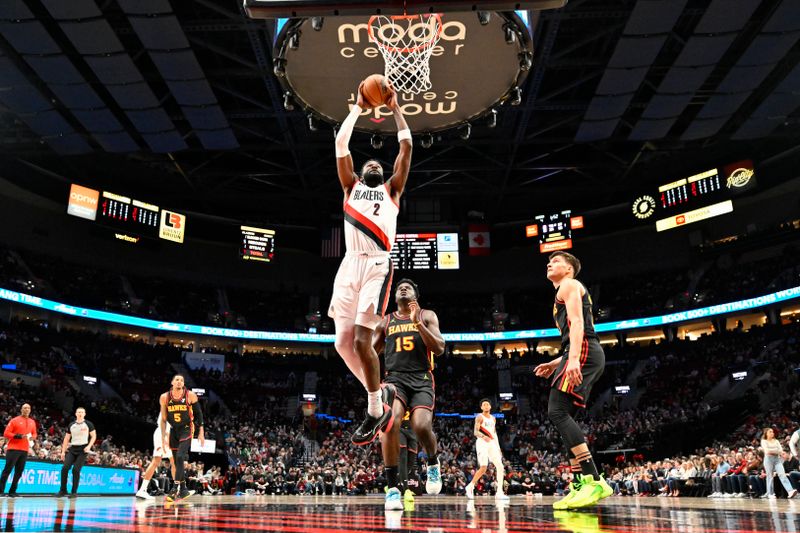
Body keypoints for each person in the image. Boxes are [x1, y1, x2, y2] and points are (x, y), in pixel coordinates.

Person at [328, 81, 412, 449]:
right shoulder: (351, 187)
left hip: (377, 265)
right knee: (342, 343)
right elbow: (340, 145)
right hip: (348, 266)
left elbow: (406, 146)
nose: (375, 163)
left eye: (379, 162)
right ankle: (380, 398)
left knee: (363, 341)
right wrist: (357, 109)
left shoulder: (392, 190)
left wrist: (395, 108)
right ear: (363, 173)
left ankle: (375, 408)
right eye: (371, 163)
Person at [534, 252, 612, 509]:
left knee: (556, 411)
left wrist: (575, 359)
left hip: (585, 351)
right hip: (580, 352)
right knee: (564, 418)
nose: (549, 264)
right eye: (549, 261)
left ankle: (593, 479)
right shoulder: (563, 291)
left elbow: (579, 324)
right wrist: (558, 362)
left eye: (556, 261)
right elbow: (572, 335)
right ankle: (579, 483)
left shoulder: (569, 285)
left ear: (569, 269)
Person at [374, 279, 445, 509]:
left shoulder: (427, 315)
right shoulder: (385, 321)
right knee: (390, 424)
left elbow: (439, 348)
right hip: (394, 379)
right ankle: (393, 488)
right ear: (395, 297)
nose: (403, 288)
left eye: (408, 287)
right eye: (399, 288)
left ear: (416, 295)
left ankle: (433, 462)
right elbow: (370, 353)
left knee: (421, 426)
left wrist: (418, 325)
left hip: (421, 378)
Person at [159, 374, 205, 502]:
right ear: (172, 382)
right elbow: (163, 420)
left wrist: (201, 432)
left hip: (187, 428)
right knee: (176, 461)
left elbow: (199, 414)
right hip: (174, 430)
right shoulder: (164, 397)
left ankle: (175, 489)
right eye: (177, 380)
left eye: (182, 380)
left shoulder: (190, 395)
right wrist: (163, 436)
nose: (179, 382)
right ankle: (184, 490)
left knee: (180, 456)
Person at [465, 399, 509, 501]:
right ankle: (470, 486)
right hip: (482, 442)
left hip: (492, 443)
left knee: (500, 466)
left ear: (490, 407)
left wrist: (498, 448)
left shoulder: (493, 418)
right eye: (484, 405)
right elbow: (475, 432)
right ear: (481, 407)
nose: (486, 406)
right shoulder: (479, 417)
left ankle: (499, 492)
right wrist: (483, 436)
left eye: (487, 404)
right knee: (484, 467)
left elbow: (494, 434)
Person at [136, 412, 176, 500]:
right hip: (163, 434)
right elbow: (164, 422)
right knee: (156, 462)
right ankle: (142, 490)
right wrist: (165, 438)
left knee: (174, 461)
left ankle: (178, 488)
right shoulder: (169, 402)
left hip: (165, 434)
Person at [57, 407, 96, 497]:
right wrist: (63, 452)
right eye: (78, 412)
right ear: (75, 413)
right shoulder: (71, 425)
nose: (80, 413)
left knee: (76, 470)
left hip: (83, 450)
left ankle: (74, 492)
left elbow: (94, 436)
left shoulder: (89, 424)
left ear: (84, 414)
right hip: (72, 449)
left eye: (82, 412)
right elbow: (66, 439)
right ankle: (63, 490)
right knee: (64, 468)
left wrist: (89, 446)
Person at [1, 403, 36, 497]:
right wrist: (18, 436)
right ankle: (1, 491)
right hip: (13, 449)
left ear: (30, 410)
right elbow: (6, 433)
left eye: (28, 408)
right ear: (21, 409)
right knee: (7, 470)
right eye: (25, 408)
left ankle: (12, 491)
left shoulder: (32, 422)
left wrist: (33, 437)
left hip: (24, 450)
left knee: (19, 472)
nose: (27, 409)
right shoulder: (14, 420)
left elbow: (35, 434)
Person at [760, 428, 797, 499]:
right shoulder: (763, 441)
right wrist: (776, 451)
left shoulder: (776, 441)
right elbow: (767, 451)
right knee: (770, 476)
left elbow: (781, 451)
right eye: (770, 432)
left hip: (777, 459)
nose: (772, 433)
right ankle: (770, 493)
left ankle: (790, 491)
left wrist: (774, 451)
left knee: (782, 474)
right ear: (766, 434)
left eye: (772, 432)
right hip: (768, 460)